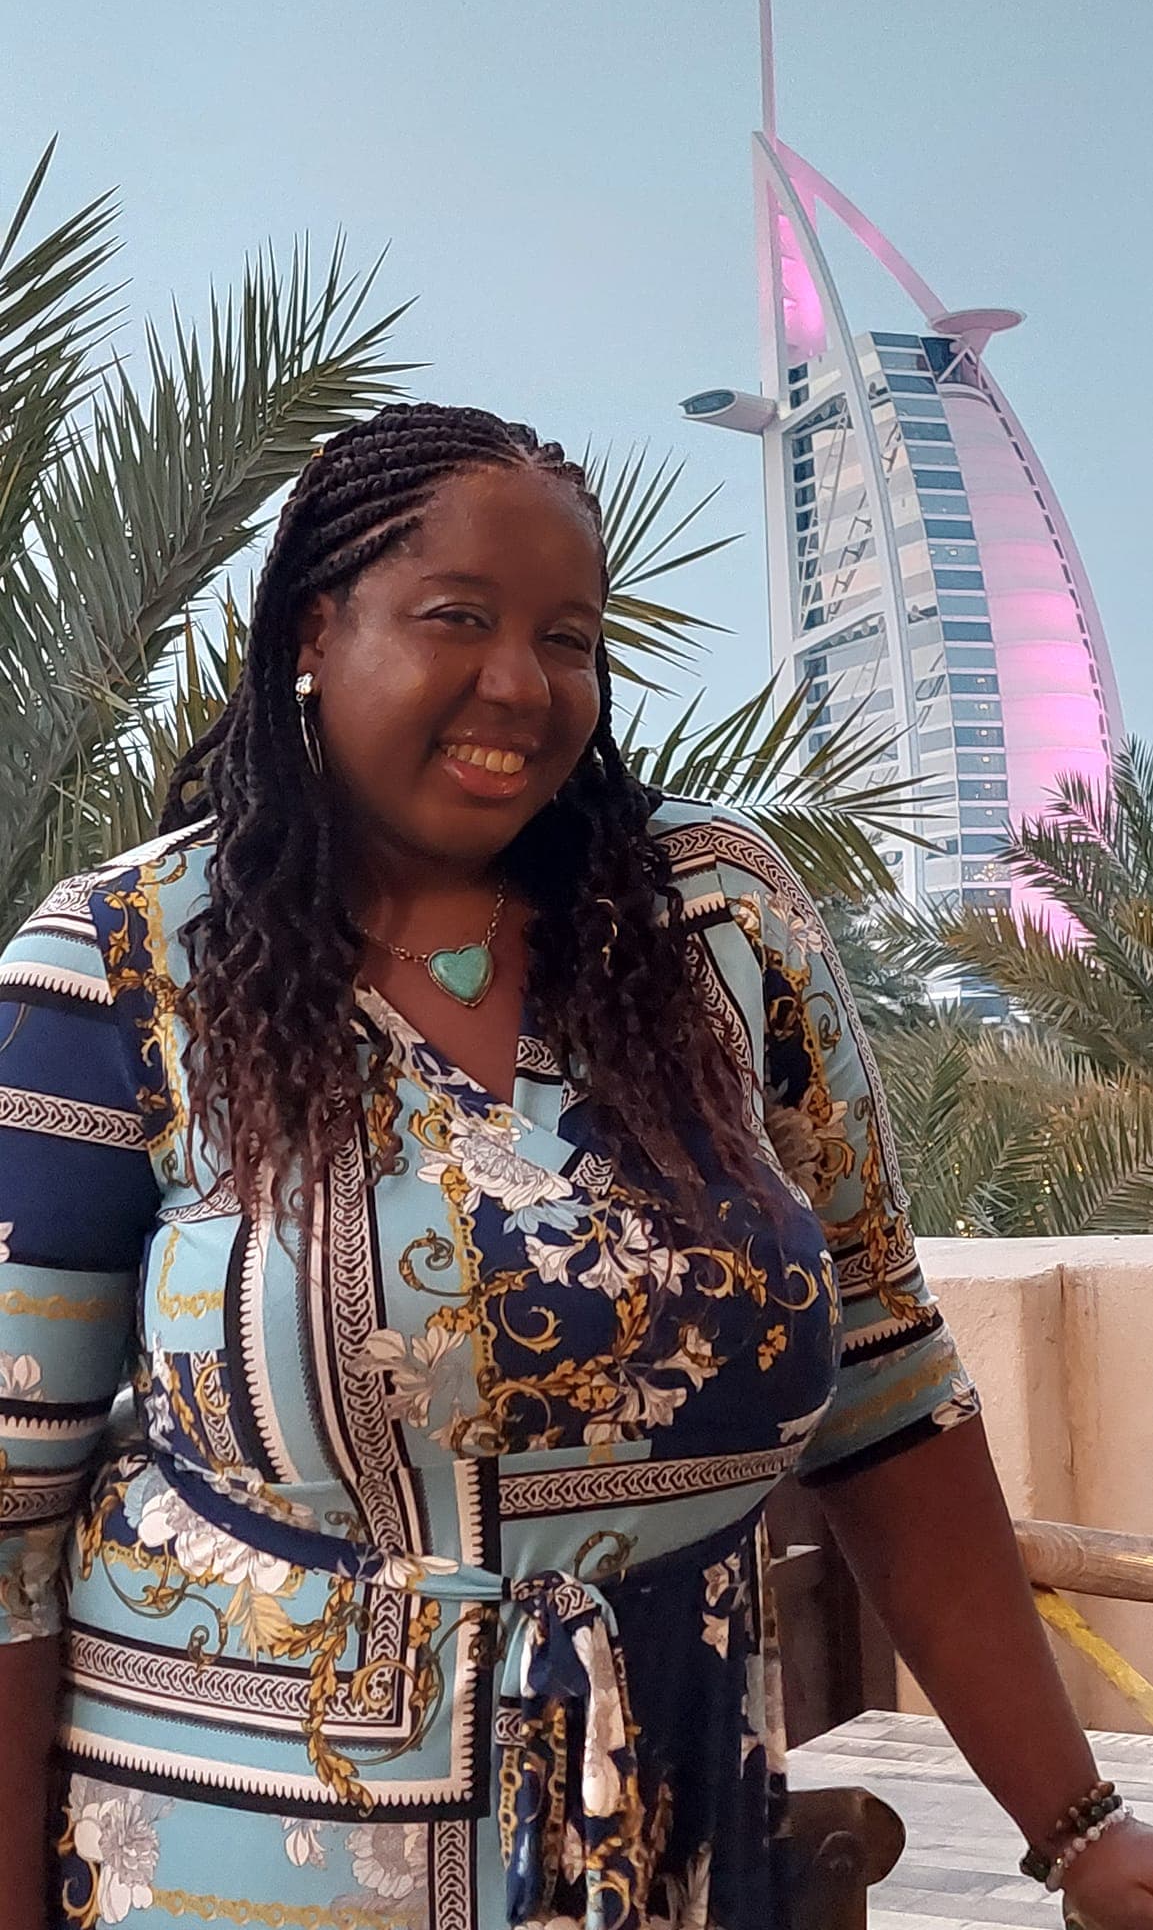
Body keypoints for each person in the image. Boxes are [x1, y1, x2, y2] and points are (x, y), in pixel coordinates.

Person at [0, 402, 1149, 1930]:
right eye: (455, 619)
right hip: (237, 1862)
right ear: (311, 631)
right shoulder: (118, 968)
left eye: (568, 636)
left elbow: (888, 1397)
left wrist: (1077, 1830)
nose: (519, 685)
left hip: (671, 1834)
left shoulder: (715, 927)